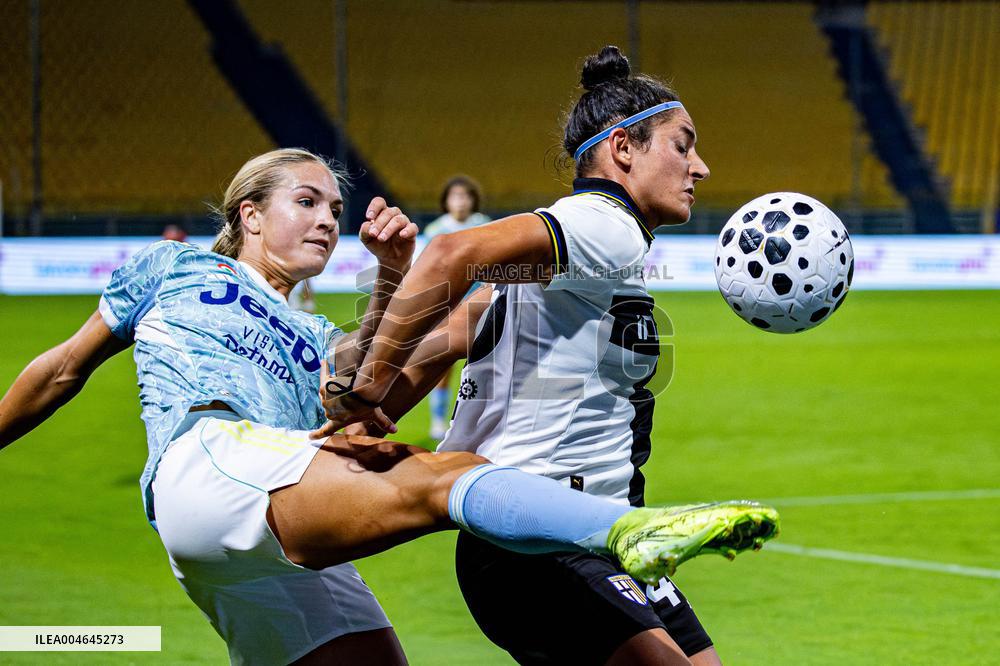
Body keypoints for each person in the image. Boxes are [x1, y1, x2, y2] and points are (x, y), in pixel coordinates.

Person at [0, 147, 777, 665]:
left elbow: (355, 390)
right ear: (249, 215)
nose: (327, 219)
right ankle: (621, 530)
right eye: (307, 201)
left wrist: (393, 275)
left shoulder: (314, 334)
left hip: (270, 525)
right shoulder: (172, 267)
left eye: (335, 207)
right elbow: (61, 369)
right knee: (444, 472)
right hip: (207, 464)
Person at [318, 46, 759, 665]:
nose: (700, 167)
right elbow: (449, 257)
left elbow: (455, 335)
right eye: (682, 146)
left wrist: (373, 401)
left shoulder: (575, 256)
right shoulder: (606, 224)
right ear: (623, 150)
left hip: (593, 533)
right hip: (542, 541)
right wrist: (371, 381)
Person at [423, 175, 491, 439]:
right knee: (443, 364)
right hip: (448, 306)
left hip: (480, 304)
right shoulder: (435, 231)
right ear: (446, 201)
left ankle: (476, 419)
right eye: (455, 196)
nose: (460, 202)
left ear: (473, 200)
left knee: (483, 363)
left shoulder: (484, 225)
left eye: (465, 196)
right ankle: (438, 420)